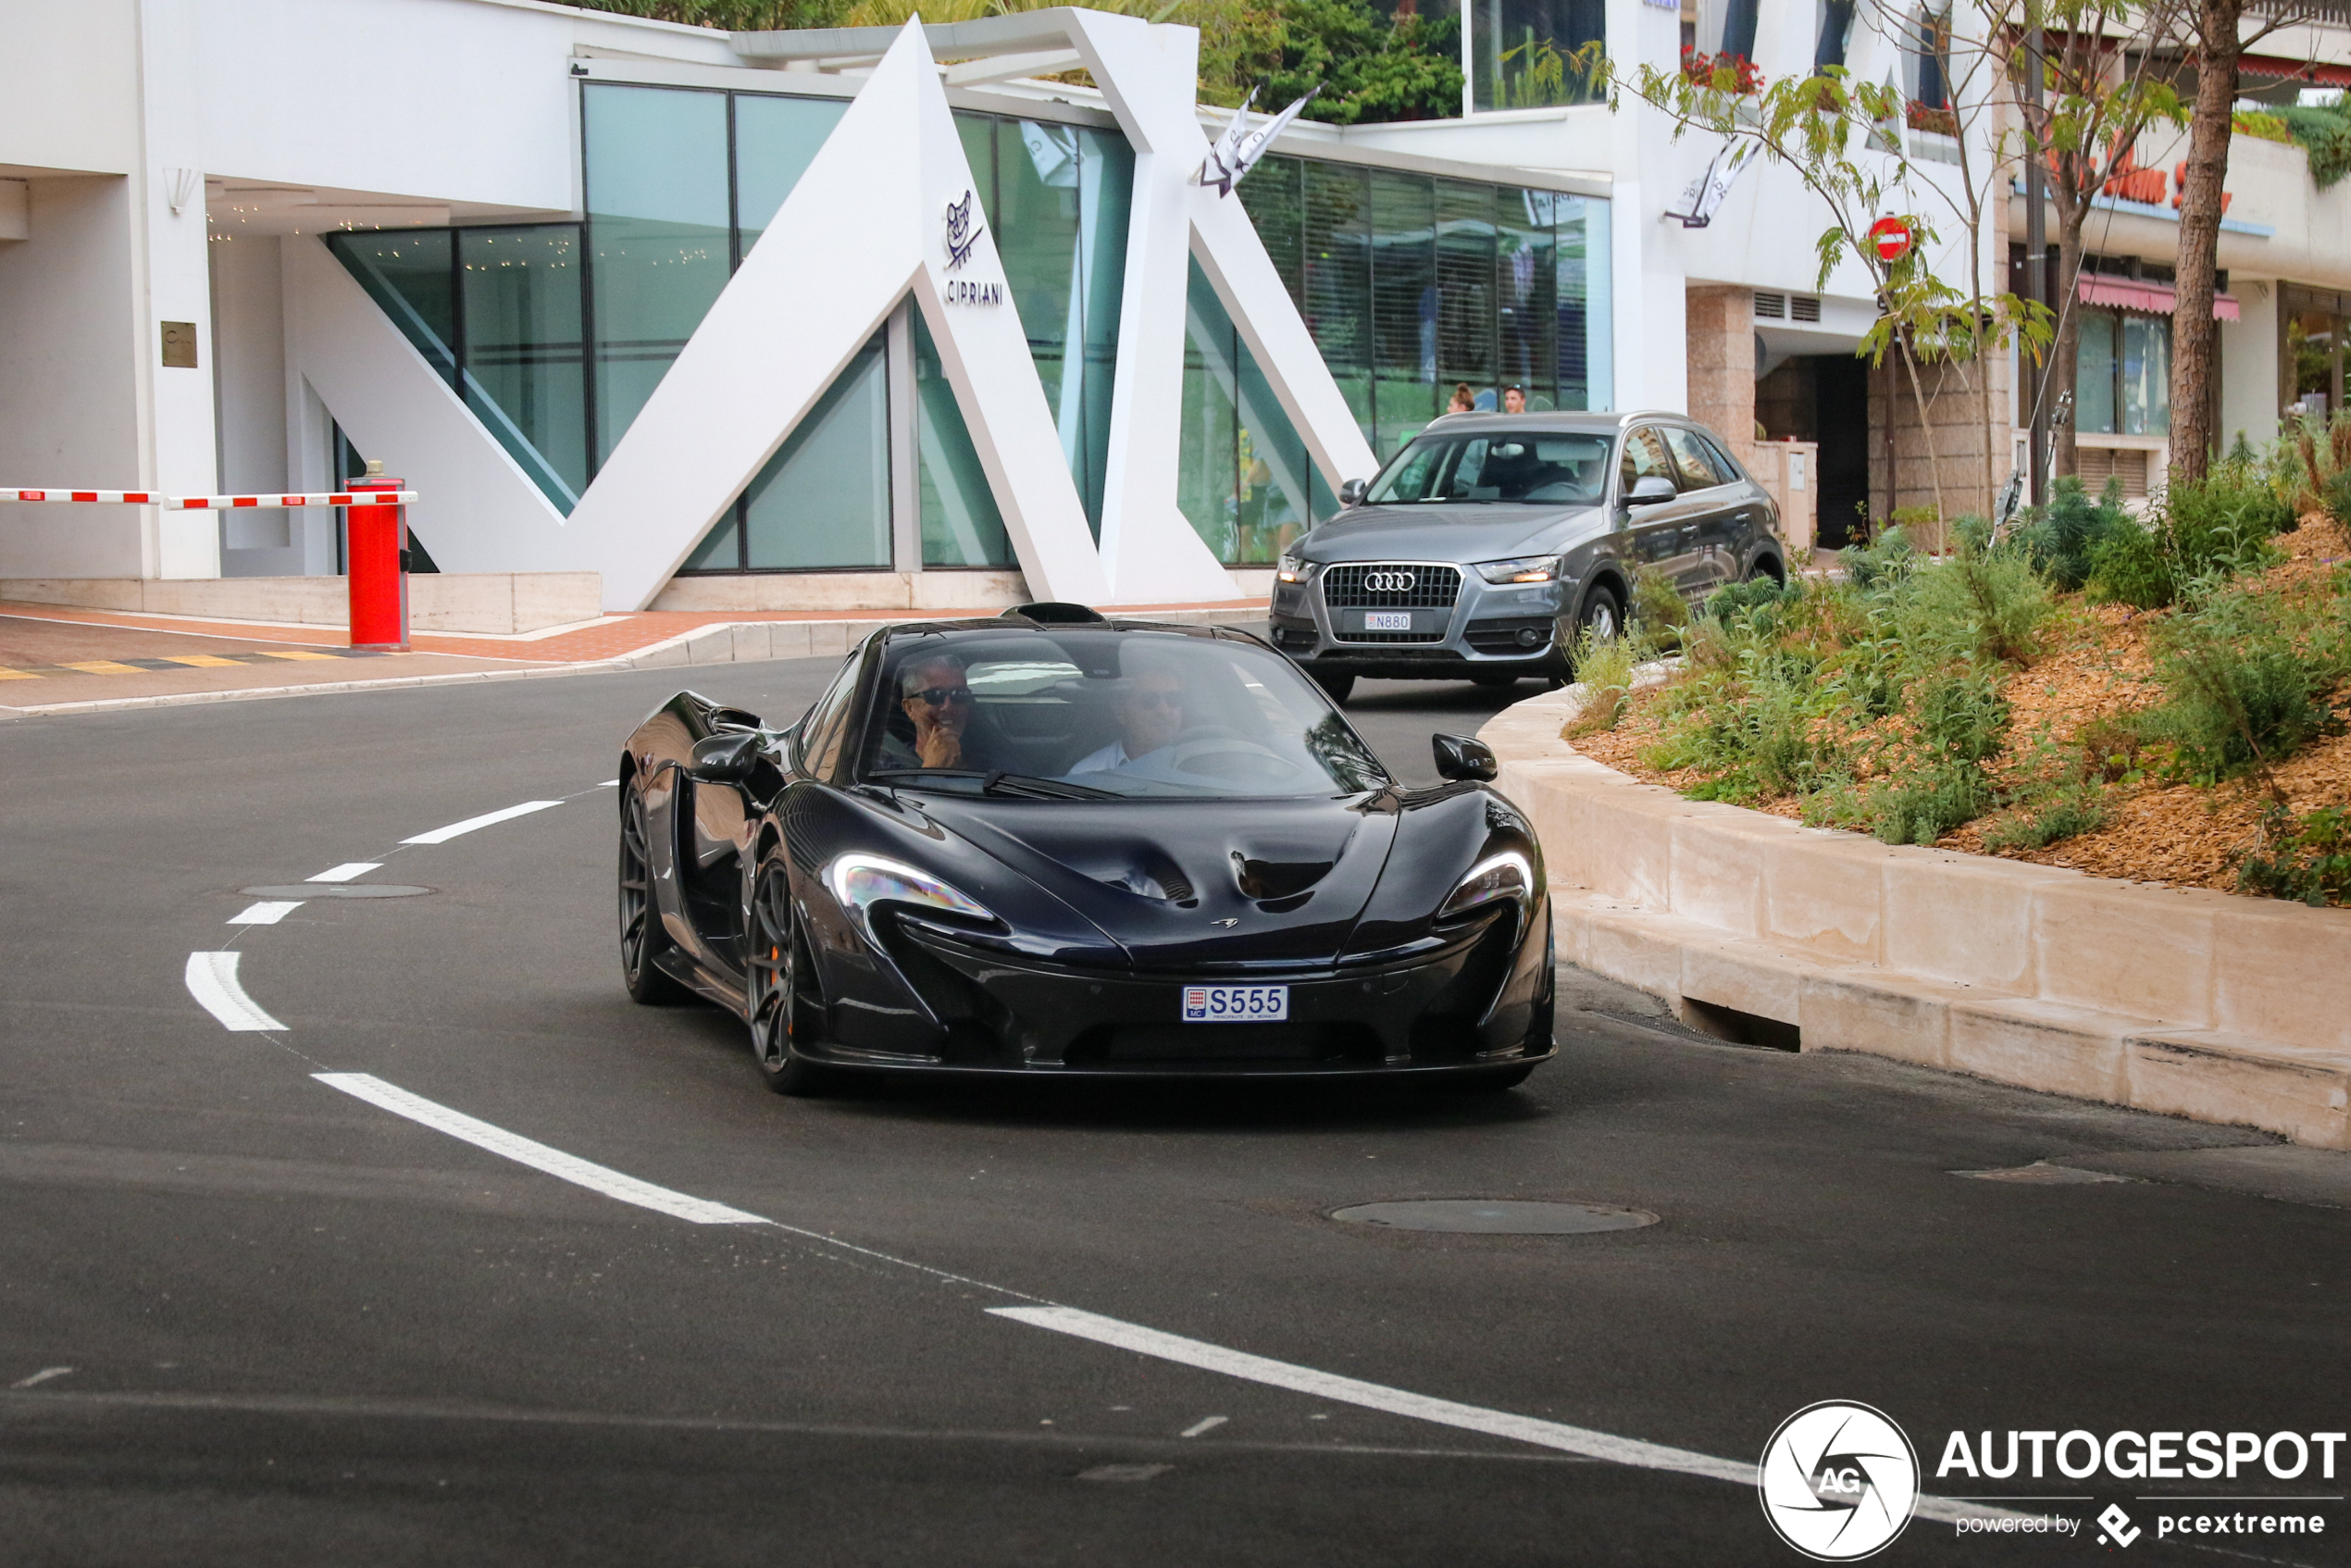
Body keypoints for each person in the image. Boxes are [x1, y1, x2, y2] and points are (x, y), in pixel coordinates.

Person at [1069, 660, 1187, 776]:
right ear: (1120, 711)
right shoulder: (1087, 775)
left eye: (1173, 698)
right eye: (1149, 700)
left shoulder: (1200, 767)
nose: (1164, 711)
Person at [891, 653, 976, 770]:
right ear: (909, 708)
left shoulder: (993, 759)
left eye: (959, 694)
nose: (948, 706)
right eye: (935, 695)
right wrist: (933, 767)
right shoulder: (887, 766)